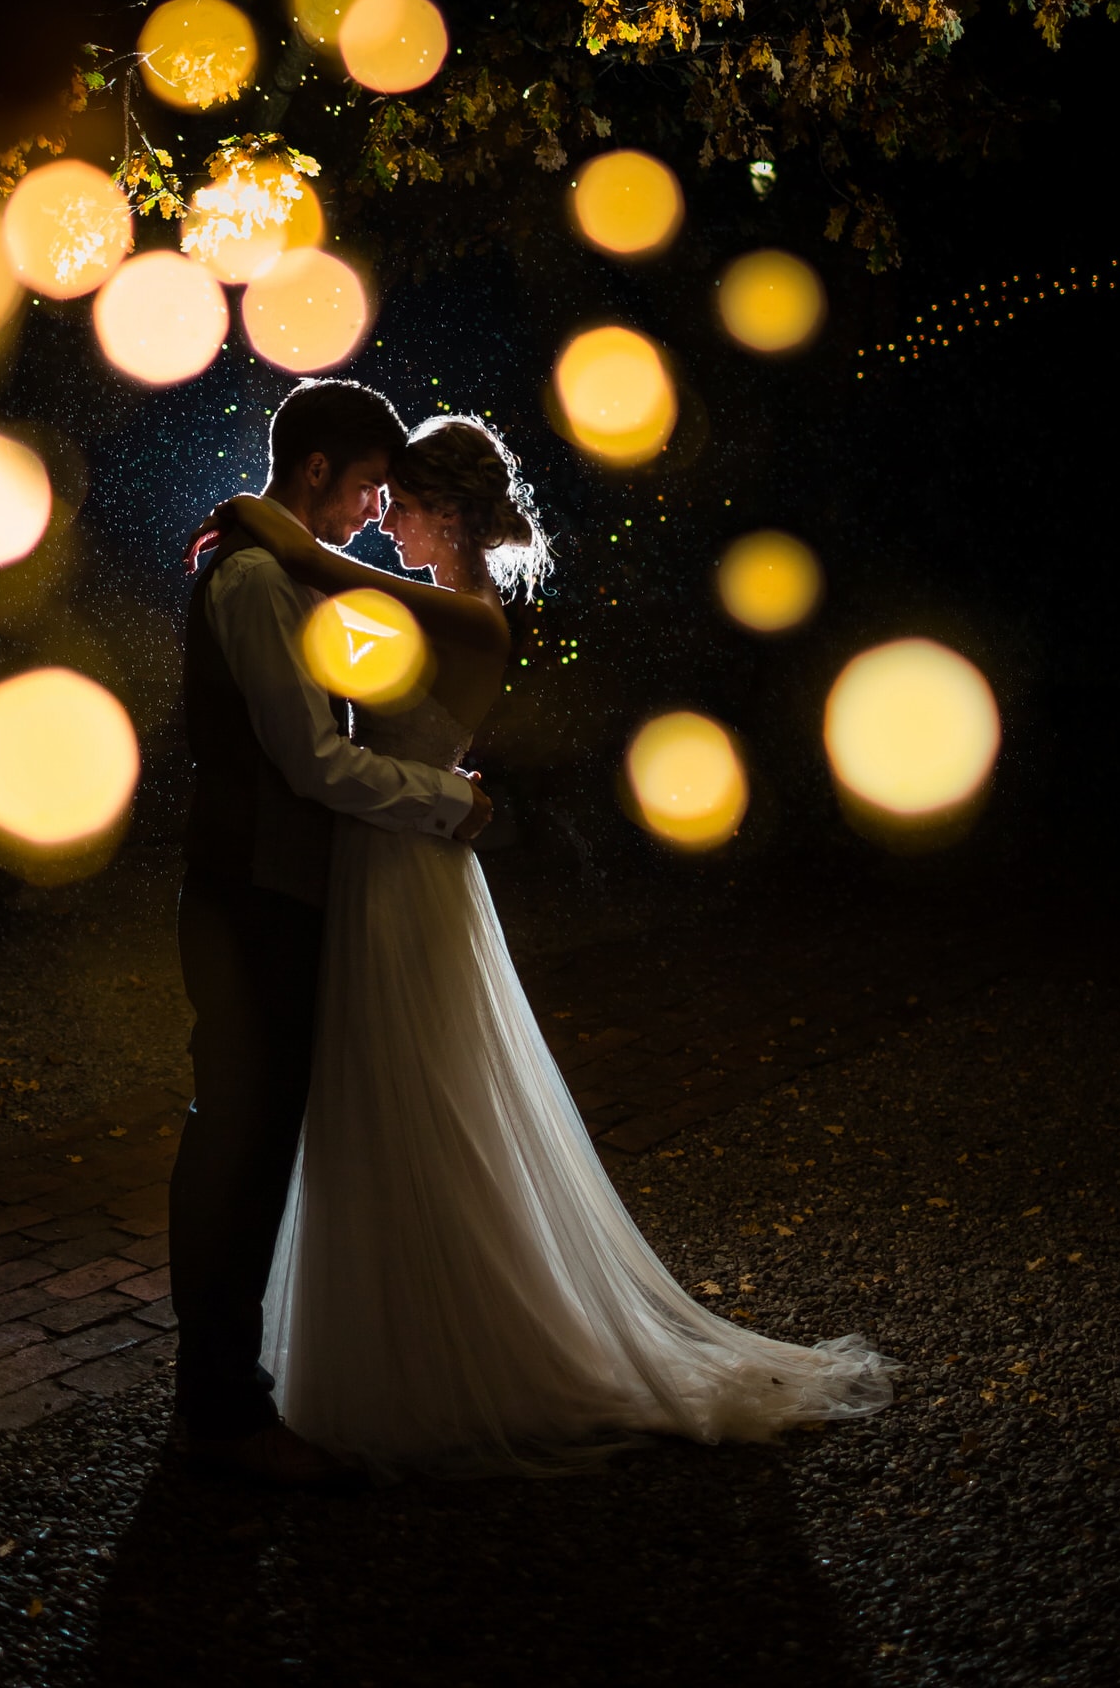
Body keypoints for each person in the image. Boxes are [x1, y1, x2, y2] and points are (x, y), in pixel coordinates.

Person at [214, 412, 899, 1482]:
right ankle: (405, 1335)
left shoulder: (466, 615)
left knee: (416, 1094)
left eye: (399, 500)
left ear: (444, 512)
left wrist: (257, 523)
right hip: (395, 854)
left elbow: (308, 564)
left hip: (405, 865)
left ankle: (450, 1351)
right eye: (376, 494)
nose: (381, 514)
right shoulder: (444, 607)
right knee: (393, 1096)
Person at [168, 379, 492, 1491]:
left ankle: (222, 1393)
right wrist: (446, 802)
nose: (369, 508)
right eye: (362, 484)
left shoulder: (278, 570)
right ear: (316, 471)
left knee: (248, 1142)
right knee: (240, 1148)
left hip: (267, 887)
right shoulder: (257, 581)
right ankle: (221, 1410)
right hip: (254, 892)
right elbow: (312, 764)